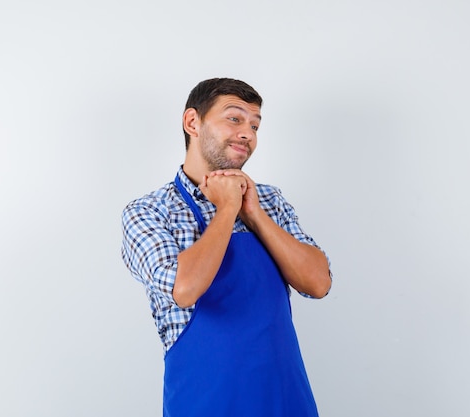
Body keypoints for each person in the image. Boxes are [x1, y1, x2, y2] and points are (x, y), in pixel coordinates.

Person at [121, 77, 332, 417]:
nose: (247, 133)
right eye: (234, 118)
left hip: (285, 399)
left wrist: (254, 213)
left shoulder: (270, 201)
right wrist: (227, 208)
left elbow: (318, 283)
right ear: (193, 122)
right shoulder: (149, 211)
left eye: (255, 125)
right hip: (206, 403)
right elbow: (185, 289)